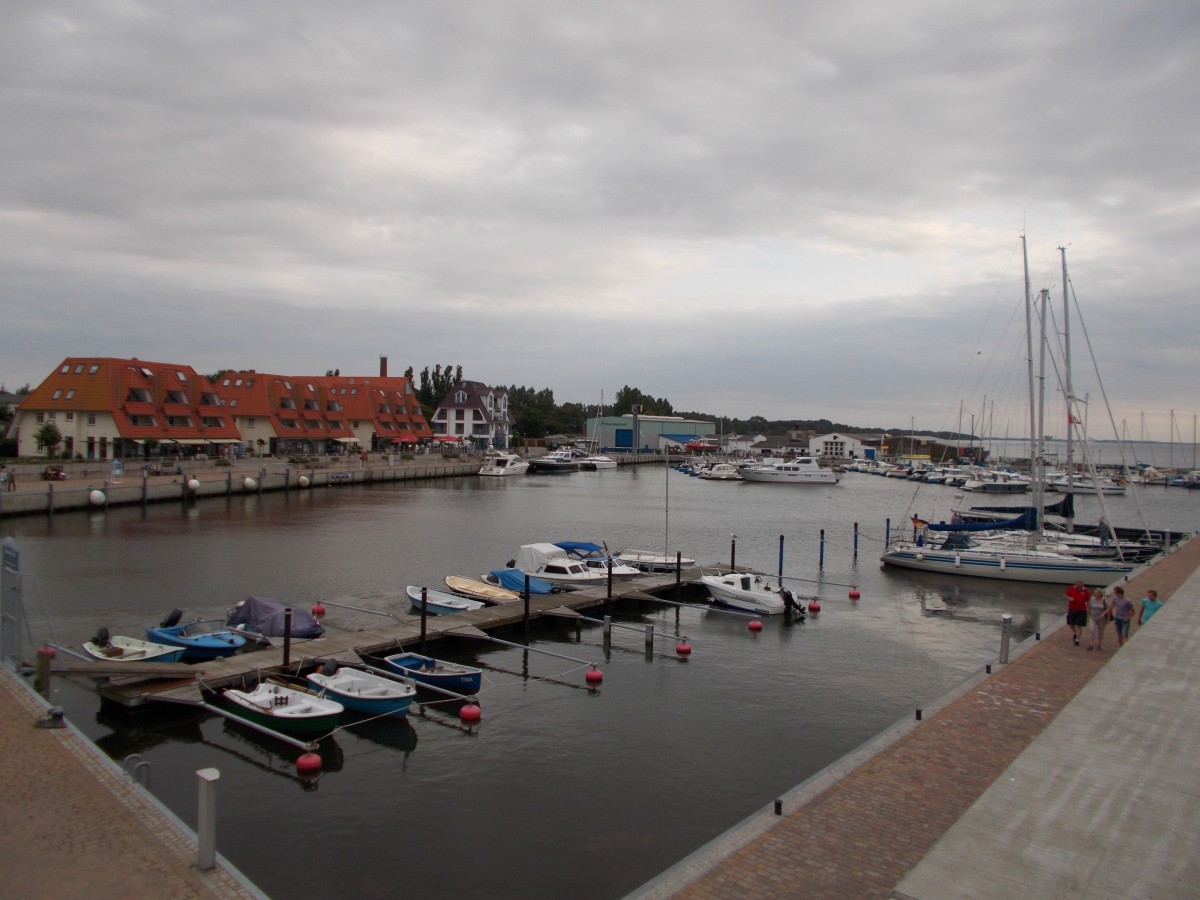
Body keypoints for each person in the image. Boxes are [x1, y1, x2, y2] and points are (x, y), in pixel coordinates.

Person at [1065, 579, 1090, 647]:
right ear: (1076, 585)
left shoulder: (1086, 591)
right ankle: (1075, 632)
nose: (1080, 588)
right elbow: (1066, 595)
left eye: (1081, 587)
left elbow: (1088, 600)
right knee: (1070, 623)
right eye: (1078, 586)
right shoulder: (1071, 589)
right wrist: (1070, 598)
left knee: (1079, 625)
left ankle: (1077, 640)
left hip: (1082, 610)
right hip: (1072, 609)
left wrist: (1088, 608)